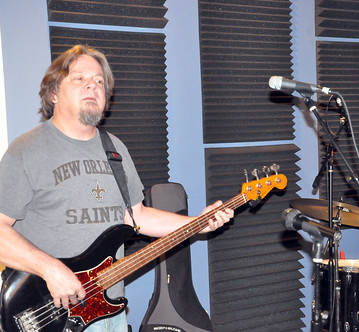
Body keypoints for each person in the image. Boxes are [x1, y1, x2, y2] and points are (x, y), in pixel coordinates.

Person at [0, 45, 234, 332]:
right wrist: (51, 270)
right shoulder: (27, 150)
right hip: (47, 313)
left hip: (106, 312)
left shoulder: (115, 149)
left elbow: (136, 216)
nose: (92, 86)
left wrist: (198, 224)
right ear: (53, 93)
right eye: (79, 78)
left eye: (99, 81)